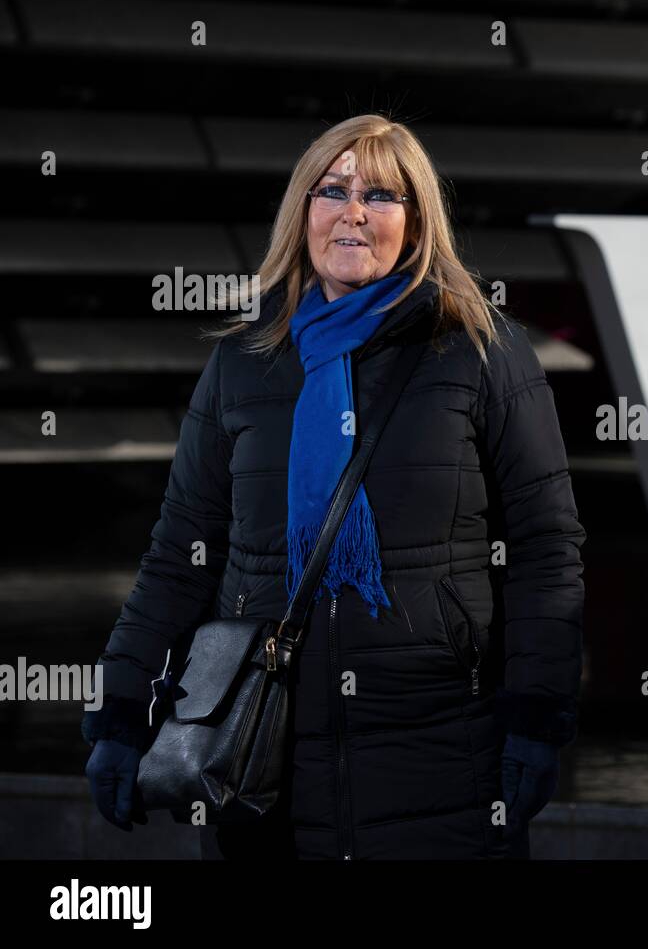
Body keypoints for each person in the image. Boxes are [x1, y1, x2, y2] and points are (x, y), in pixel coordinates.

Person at [80, 113, 586, 859]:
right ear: (303, 212)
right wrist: (121, 713)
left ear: (415, 226)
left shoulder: (481, 351)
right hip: (263, 758)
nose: (353, 211)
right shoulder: (244, 362)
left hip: (442, 754)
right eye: (333, 190)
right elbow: (178, 554)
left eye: (381, 195)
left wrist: (536, 719)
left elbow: (547, 550)